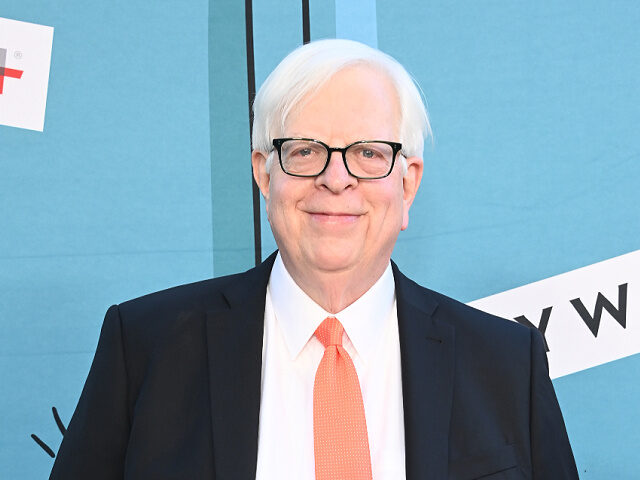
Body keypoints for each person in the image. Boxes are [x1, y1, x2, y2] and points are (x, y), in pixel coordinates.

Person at [50, 39, 578, 479]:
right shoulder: (146, 346)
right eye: (304, 150)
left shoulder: (507, 363)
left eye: (369, 153)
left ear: (408, 184)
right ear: (264, 173)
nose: (336, 177)